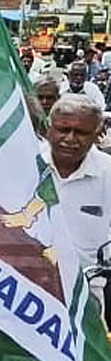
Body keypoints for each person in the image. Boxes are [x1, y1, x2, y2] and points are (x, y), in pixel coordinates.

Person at [43, 94, 111, 314]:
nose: (71, 138)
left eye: (81, 133)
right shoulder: (26, 165)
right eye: (64, 129)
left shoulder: (107, 173)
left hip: (86, 293)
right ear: (49, 129)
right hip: (24, 287)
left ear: (97, 136)